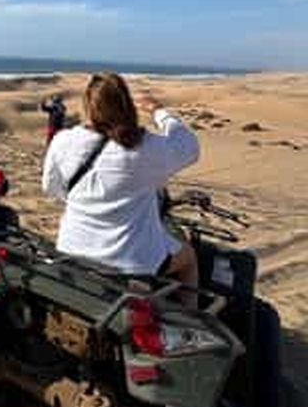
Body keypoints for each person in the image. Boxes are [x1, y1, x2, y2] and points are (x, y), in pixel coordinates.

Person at [42, 72, 200, 303]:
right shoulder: (145, 147)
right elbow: (189, 145)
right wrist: (159, 111)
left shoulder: (63, 140)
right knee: (189, 259)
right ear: (126, 105)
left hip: (71, 252)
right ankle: (190, 327)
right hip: (131, 266)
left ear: (88, 106)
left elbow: (51, 188)